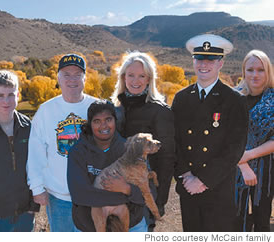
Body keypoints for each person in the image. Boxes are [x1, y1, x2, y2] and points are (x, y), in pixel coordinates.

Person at [171, 34, 248, 232]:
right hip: (188, 186)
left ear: (220, 63)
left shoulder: (234, 100)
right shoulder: (181, 98)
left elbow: (235, 148)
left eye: (210, 60)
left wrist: (203, 180)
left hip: (218, 187)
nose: (203, 64)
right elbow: (174, 141)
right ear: (193, 61)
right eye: (199, 59)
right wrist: (186, 175)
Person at [26, 54, 98, 232]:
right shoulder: (46, 110)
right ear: (58, 78)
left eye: (77, 74)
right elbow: (35, 153)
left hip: (93, 195)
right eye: (66, 74)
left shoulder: (97, 107)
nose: (72, 79)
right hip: (59, 198)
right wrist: (36, 187)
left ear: (85, 78)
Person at [111, 51, 175, 230]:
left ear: (149, 79)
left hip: (144, 196)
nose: (135, 81)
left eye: (142, 76)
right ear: (123, 77)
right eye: (131, 75)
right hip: (115, 193)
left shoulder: (160, 111)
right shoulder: (115, 109)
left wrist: (159, 200)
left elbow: (167, 159)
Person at [67, 100, 151, 232]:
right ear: (90, 124)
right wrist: (126, 197)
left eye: (108, 119)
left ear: (115, 121)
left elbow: (148, 192)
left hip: (131, 226)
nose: (103, 125)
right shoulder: (78, 152)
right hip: (89, 228)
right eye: (97, 121)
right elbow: (80, 194)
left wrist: (126, 188)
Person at [0, 70, 39, 232]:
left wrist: (33, 206)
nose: (6, 101)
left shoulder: (28, 127)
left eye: (11, 94)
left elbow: (37, 167)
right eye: (0, 95)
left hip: (25, 216)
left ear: (18, 95)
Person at [235, 50, 274, 232]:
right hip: (232, 169)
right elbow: (224, 136)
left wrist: (248, 155)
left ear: (268, 72)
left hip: (266, 170)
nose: (255, 75)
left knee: (262, 221)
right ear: (243, 71)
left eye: (261, 70)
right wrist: (242, 163)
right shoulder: (232, 99)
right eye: (250, 70)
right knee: (234, 221)